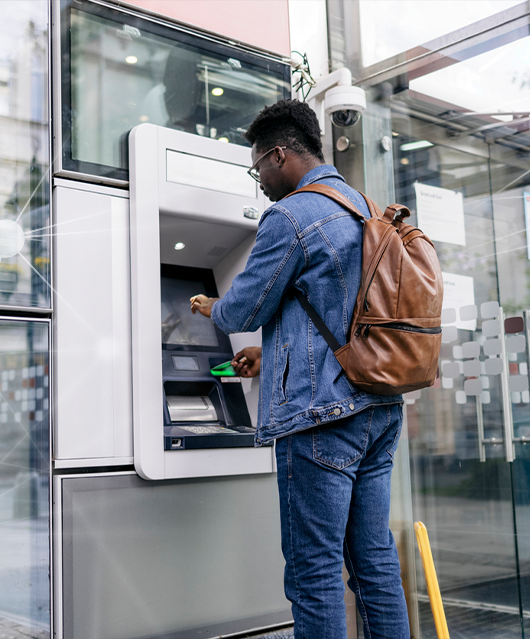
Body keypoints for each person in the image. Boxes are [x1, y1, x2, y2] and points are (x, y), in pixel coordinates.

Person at [190, 99, 409, 639]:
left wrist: (207, 307)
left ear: (280, 155)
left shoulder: (290, 215)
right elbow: (341, 312)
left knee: (314, 573)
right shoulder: (364, 208)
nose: (258, 179)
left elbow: (241, 309)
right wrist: (274, 354)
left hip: (321, 421)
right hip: (378, 407)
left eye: (257, 166)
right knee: (374, 563)